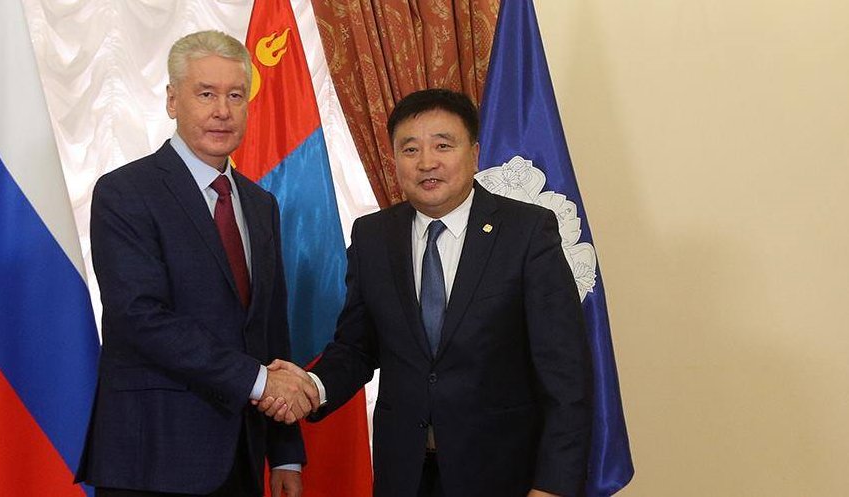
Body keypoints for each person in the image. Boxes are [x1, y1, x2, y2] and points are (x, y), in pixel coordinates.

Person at [258, 89, 593, 497]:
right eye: (410, 149)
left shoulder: (526, 233)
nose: (426, 162)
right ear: (394, 160)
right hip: (405, 474)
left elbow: (566, 374)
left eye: (442, 145)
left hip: (502, 474)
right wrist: (313, 386)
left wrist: (554, 486)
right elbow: (357, 347)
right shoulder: (373, 236)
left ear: (474, 154)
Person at [77, 30, 319, 497]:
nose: (222, 111)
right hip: (153, 456)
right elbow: (140, 317)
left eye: (235, 95)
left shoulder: (261, 204)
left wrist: (285, 452)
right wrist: (259, 382)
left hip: (241, 455)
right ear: (173, 100)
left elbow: (270, 329)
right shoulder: (125, 193)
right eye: (206, 94)